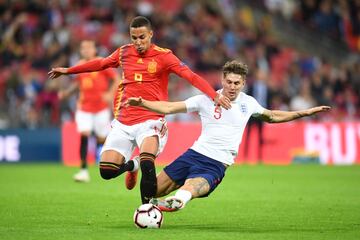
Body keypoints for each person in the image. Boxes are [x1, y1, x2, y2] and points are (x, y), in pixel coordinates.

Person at [48, 16, 231, 203]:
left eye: (142, 37)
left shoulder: (164, 56)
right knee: (106, 171)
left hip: (151, 119)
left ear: (151, 34)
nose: (138, 42)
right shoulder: (123, 53)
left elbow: (190, 76)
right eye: (133, 38)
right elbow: (101, 63)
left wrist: (214, 95)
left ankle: (147, 209)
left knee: (147, 161)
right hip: (124, 120)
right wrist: (69, 70)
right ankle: (131, 166)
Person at [126, 60, 330, 211]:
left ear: (243, 84)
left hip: (216, 164)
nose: (232, 87)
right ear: (222, 80)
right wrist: (143, 102)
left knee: (188, 191)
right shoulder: (206, 99)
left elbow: (273, 116)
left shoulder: (248, 103)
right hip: (193, 155)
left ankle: (178, 201)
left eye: (237, 83)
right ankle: (136, 169)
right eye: (229, 82)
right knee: (151, 192)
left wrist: (304, 113)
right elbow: (170, 107)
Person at [58, 40, 120, 182]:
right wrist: (67, 94)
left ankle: (110, 161)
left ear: (94, 49)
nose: (85, 50)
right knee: (84, 134)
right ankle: (83, 170)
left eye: (88, 47)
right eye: (83, 48)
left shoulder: (101, 63)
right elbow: (77, 84)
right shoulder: (80, 65)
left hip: (100, 108)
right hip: (84, 107)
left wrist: (110, 93)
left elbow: (116, 79)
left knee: (101, 138)